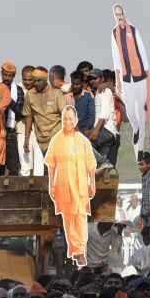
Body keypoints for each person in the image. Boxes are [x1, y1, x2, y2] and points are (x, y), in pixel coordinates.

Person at [45, 105, 97, 266]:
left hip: (80, 185)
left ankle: (81, 251)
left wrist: (92, 183)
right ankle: (74, 249)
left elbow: (90, 164)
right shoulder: (56, 140)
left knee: (80, 217)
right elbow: (51, 165)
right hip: (63, 186)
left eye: (70, 119)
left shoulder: (83, 141)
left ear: (75, 120)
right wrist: (51, 186)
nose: (67, 121)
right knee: (68, 219)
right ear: (62, 120)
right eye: (65, 119)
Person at [110, 4, 149, 158]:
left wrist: (146, 72)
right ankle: (136, 129)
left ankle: (140, 149)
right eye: (116, 14)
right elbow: (115, 57)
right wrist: (117, 79)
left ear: (124, 13)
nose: (119, 16)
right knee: (131, 111)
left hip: (140, 74)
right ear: (114, 16)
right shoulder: (114, 33)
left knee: (141, 110)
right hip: (126, 77)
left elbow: (142, 49)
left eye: (121, 13)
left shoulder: (133, 29)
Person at [23, 67, 67, 158]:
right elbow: (29, 117)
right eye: (34, 81)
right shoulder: (30, 94)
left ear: (45, 80)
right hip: (42, 140)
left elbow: (65, 115)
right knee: (51, 168)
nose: (36, 83)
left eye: (39, 81)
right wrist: (26, 139)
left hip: (57, 136)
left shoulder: (56, 93)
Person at [87, 69, 119, 168]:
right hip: (109, 133)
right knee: (102, 168)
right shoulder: (100, 90)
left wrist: (96, 131)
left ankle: (103, 162)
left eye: (94, 78)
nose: (92, 81)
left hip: (105, 130)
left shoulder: (103, 90)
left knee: (84, 144)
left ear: (102, 79)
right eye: (90, 79)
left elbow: (104, 113)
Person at [0, 60, 24, 176]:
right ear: (1, 74)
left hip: (11, 131)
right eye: (5, 75)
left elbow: (20, 113)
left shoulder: (18, 90)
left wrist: (8, 99)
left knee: (13, 165)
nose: (7, 78)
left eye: (10, 76)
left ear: (13, 76)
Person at [138, 151, 150, 228]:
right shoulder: (143, 177)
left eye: (142, 164)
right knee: (145, 233)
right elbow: (144, 196)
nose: (140, 167)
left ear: (149, 164)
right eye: (139, 164)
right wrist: (140, 214)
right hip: (145, 212)